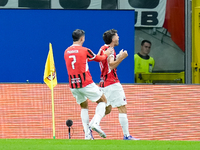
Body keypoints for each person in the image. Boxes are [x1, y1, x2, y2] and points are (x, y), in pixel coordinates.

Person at [89, 29, 139, 140]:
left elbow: (105, 64)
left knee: (107, 109)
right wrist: (122, 57)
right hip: (112, 83)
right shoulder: (110, 50)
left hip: (103, 83)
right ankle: (126, 135)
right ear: (112, 39)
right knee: (122, 107)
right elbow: (111, 66)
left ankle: (90, 127)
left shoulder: (102, 48)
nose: (118, 37)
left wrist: (118, 56)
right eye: (117, 36)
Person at [64, 29, 113, 140]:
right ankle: (95, 123)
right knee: (103, 101)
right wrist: (106, 54)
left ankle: (87, 135)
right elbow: (99, 59)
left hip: (73, 85)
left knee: (84, 106)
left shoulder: (66, 51)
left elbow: (81, 61)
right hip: (86, 83)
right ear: (82, 38)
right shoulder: (85, 50)